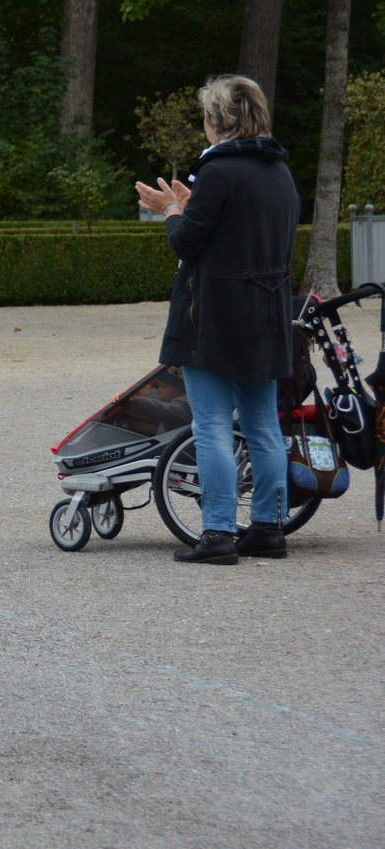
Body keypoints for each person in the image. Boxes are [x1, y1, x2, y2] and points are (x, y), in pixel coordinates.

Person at [135, 73, 297, 564]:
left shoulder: (221, 172)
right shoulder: (277, 171)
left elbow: (187, 244)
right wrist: (189, 206)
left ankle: (219, 533)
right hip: (267, 314)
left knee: (211, 426)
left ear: (215, 121)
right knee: (264, 427)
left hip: (216, 318)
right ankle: (269, 527)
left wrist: (169, 211)